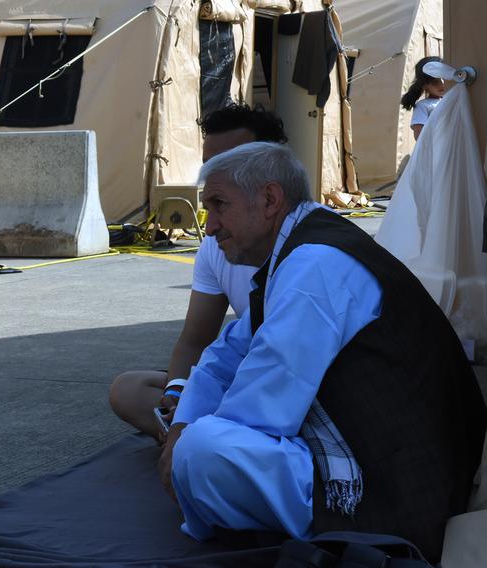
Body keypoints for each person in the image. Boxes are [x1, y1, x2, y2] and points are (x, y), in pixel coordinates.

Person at [157, 142, 485, 562]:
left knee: (203, 453)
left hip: (397, 481)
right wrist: (182, 420)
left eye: (219, 205)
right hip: (383, 453)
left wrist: (182, 445)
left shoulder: (314, 264)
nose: (210, 225)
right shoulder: (297, 252)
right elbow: (225, 354)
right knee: (186, 433)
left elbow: (262, 409)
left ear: (271, 200)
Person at [109, 104, 287, 440]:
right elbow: (194, 340)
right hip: (241, 378)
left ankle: (208, 440)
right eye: (210, 168)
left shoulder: (307, 246)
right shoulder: (216, 242)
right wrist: (177, 397)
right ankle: (205, 438)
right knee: (129, 390)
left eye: (230, 166)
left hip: (290, 385)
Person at [401, 56, 446, 141]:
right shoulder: (423, 106)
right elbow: (419, 136)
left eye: (444, 78)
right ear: (424, 85)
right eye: (435, 82)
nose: (442, 84)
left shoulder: (449, 100)